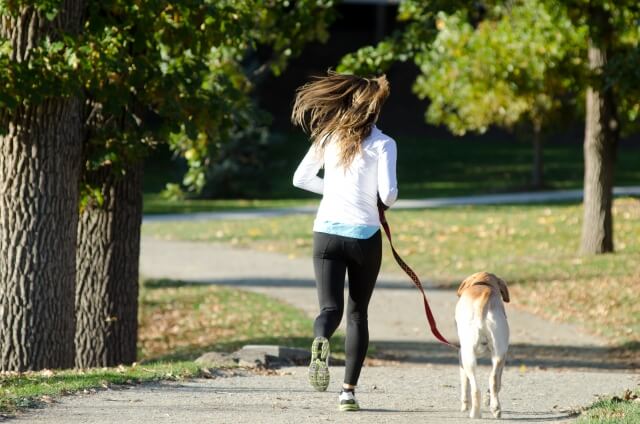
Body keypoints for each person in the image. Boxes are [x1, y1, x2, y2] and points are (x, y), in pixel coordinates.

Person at [291, 71, 398, 411]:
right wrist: (369, 199)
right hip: (364, 236)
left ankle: (321, 337)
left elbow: (301, 178)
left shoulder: (327, 136)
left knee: (329, 309)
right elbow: (389, 194)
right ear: (376, 109)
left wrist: (335, 191)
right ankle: (347, 393)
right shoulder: (384, 143)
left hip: (325, 233)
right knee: (357, 314)